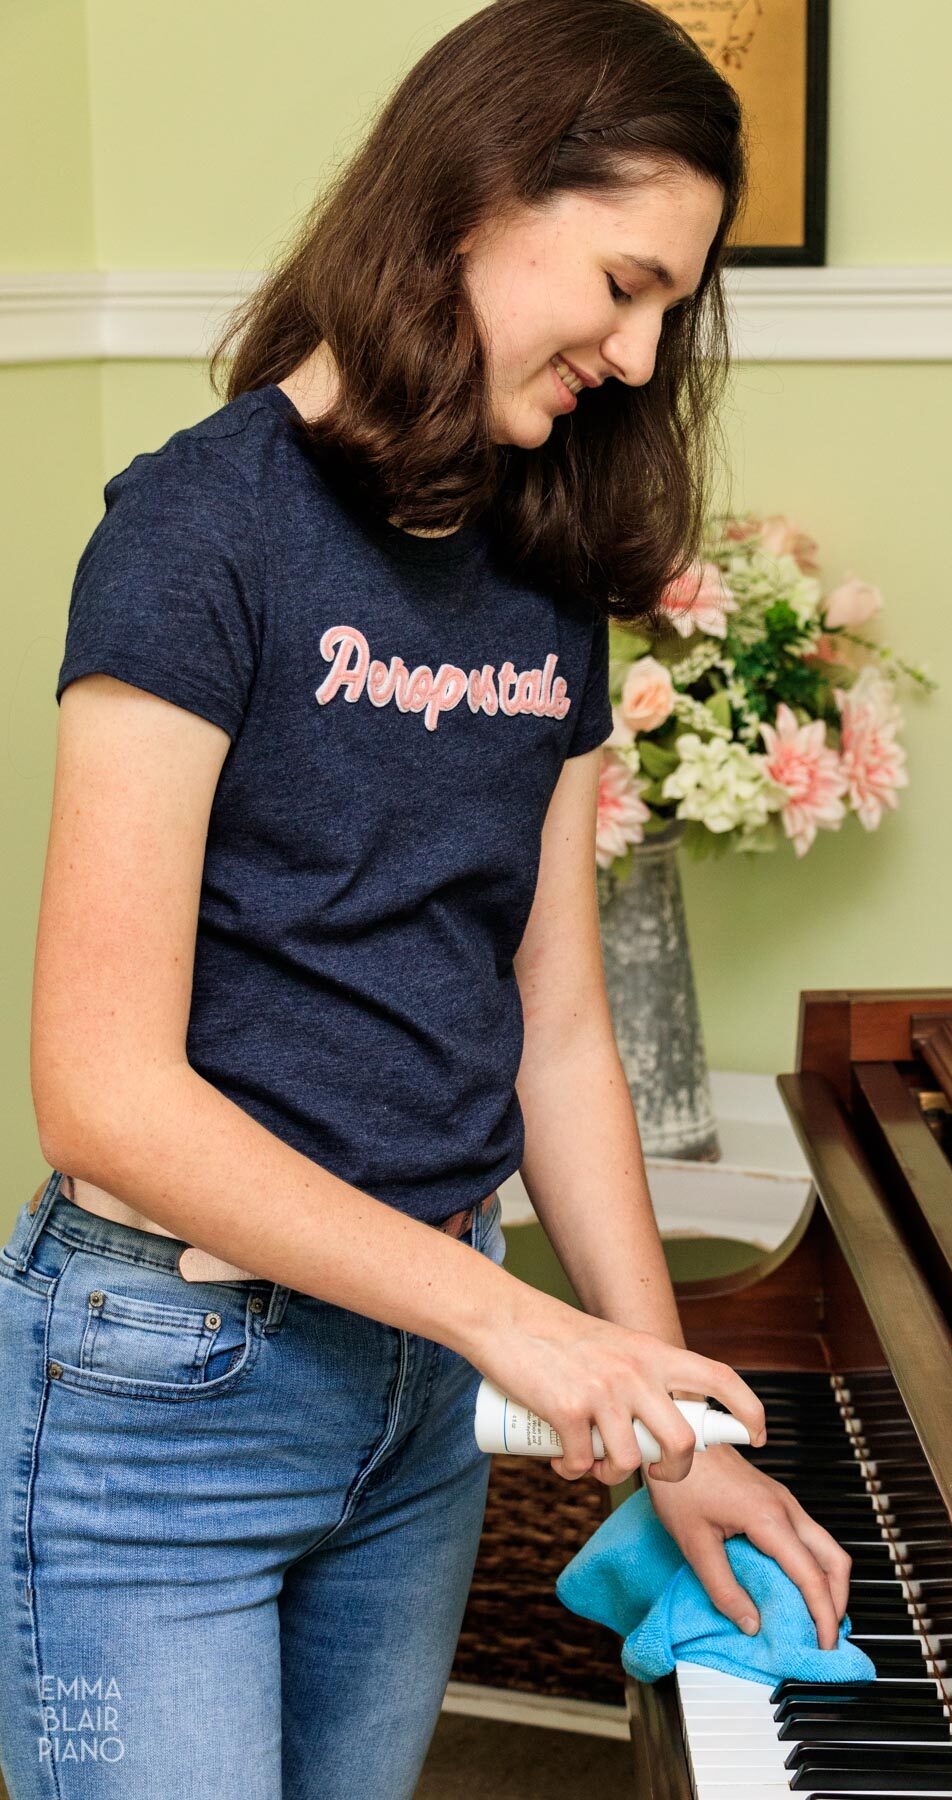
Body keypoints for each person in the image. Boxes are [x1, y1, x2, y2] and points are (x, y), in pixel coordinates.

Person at [0, 2, 851, 1794]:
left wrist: (672, 1419)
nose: (635, 355)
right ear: (480, 193)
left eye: (669, 314)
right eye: (621, 283)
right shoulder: (196, 531)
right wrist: (518, 1327)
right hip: (168, 1388)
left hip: (415, 1411)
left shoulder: (547, 569)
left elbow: (554, 1030)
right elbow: (100, 1088)